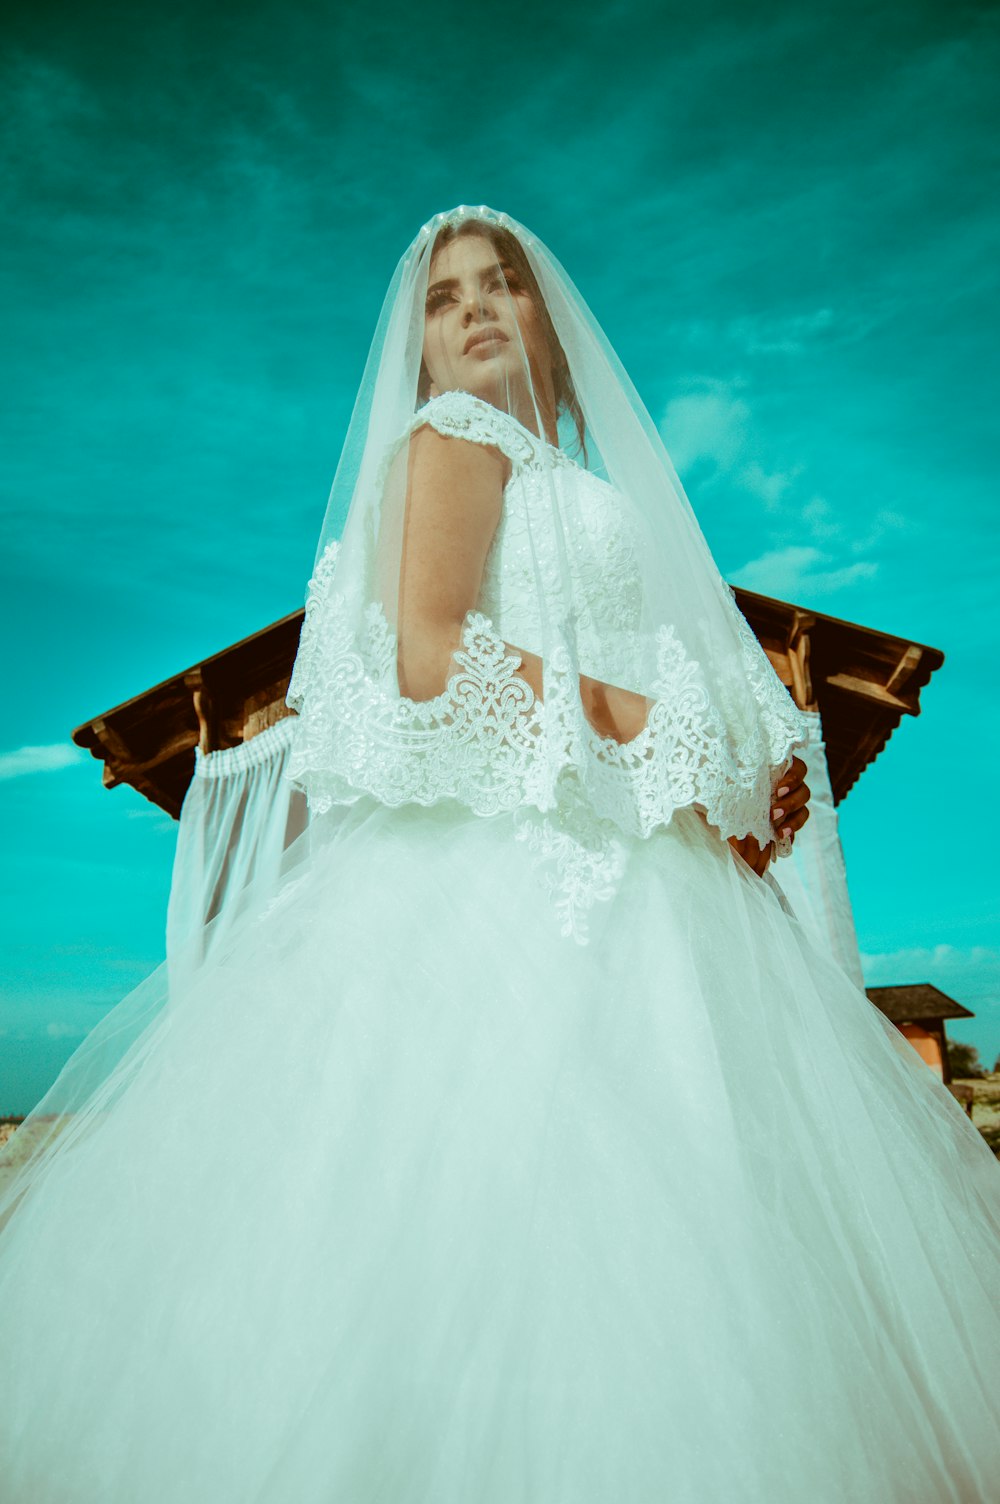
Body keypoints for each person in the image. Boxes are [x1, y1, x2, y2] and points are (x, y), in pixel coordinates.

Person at [0, 205, 998, 1504]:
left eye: (505, 284)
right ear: (414, 351)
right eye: (442, 294)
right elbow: (424, 646)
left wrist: (745, 778)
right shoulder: (453, 440)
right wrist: (654, 722)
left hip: (655, 900)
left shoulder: (584, 486)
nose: (474, 306)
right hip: (499, 898)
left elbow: (665, 712)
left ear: (554, 327)